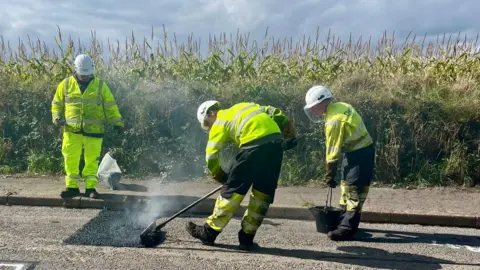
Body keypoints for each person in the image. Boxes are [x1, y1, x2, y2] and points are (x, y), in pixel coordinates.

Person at [186, 100, 296, 250]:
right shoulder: (243, 106)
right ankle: (246, 237)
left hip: (252, 147)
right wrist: (288, 134)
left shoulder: (220, 120)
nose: (210, 127)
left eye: (208, 123)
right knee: (262, 194)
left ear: (212, 113)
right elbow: (276, 113)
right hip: (275, 147)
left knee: (232, 192)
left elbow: (211, 155)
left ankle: (208, 232)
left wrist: (219, 175)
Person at [303, 85, 375, 241]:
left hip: (360, 153)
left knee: (354, 191)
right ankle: (342, 219)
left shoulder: (334, 121)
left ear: (324, 102)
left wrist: (329, 173)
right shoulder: (341, 106)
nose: (313, 111)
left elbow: (332, 150)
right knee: (346, 187)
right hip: (356, 150)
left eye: (314, 107)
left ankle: (346, 229)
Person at [51, 54, 124, 199]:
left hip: (94, 131)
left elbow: (110, 106)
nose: (85, 77)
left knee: (92, 160)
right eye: (83, 75)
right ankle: (72, 187)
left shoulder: (100, 86)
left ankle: (90, 188)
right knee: (70, 159)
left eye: (88, 75)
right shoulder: (65, 84)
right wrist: (56, 118)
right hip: (72, 130)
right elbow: (56, 103)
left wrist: (117, 123)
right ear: (75, 70)